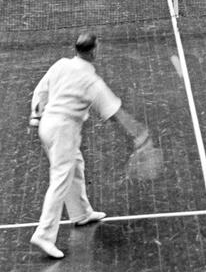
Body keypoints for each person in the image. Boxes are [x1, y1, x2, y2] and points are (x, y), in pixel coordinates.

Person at [28, 33, 150, 259]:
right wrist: (138, 136)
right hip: (63, 131)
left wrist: (35, 118)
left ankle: (81, 213)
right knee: (60, 179)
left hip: (47, 125)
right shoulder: (92, 82)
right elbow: (114, 113)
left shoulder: (61, 65)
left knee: (75, 167)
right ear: (94, 51)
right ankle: (44, 235)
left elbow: (41, 90)